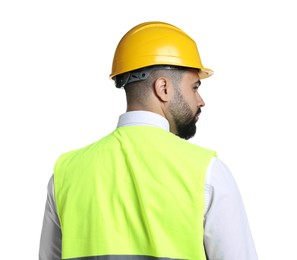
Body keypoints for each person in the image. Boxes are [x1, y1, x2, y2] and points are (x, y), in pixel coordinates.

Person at [39, 21, 258, 260]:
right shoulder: (206, 172)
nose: (200, 100)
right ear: (163, 88)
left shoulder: (66, 174)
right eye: (194, 87)